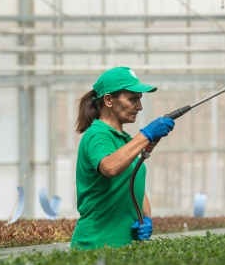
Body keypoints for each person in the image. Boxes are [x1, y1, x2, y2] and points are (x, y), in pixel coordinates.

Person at [70, 66, 175, 250]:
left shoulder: (125, 141)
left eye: (140, 100)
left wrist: (146, 217)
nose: (139, 106)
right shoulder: (98, 134)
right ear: (109, 100)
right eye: (133, 99)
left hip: (126, 245)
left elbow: (133, 182)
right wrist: (146, 135)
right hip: (96, 244)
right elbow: (110, 167)